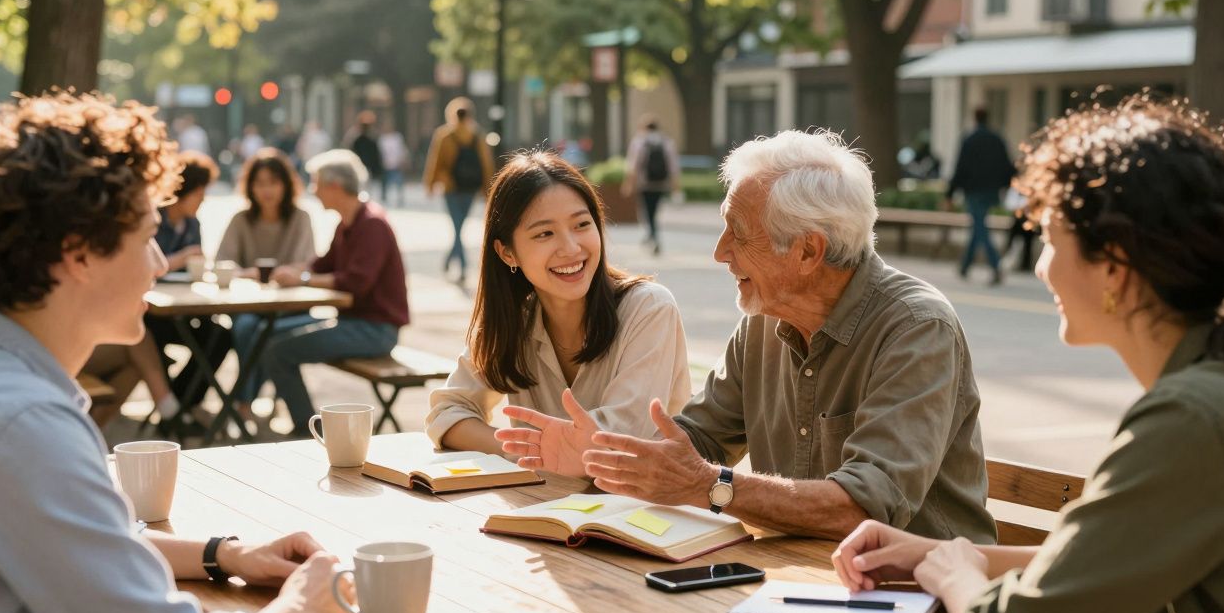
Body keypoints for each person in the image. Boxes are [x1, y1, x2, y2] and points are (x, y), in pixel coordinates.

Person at [832, 96, 1224, 613]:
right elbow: (1110, 561)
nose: (1041, 267)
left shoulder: (1191, 421)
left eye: (1050, 239)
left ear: (1114, 266)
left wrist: (957, 577)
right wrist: (939, 554)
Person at [0, 91, 348, 613]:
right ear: (78, 253)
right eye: (147, 236)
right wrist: (301, 609)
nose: (159, 263)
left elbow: (81, 544)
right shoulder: (25, 425)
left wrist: (224, 554)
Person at [502, 130, 995, 542]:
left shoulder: (916, 329)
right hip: (802, 575)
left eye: (737, 232)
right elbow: (696, 441)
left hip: (922, 594)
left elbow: (866, 507)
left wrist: (710, 487)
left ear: (807, 252)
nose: (719, 252)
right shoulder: (762, 320)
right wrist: (602, 454)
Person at [426, 152, 691, 470]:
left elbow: (620, 442)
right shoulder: (516, 320)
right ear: (507, 252)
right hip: (542, 507)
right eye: (544, 233)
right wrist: (518, 449)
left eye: (581, 224)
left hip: (642, 514)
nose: (571, 248)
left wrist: (538, 450)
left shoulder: (648, 309)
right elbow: (446, 413)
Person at [264, 149, 409, 433]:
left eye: (315, 183)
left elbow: (355, 282)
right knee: (270, 336)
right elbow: (321, 264)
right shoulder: (348, 223)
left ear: (334, 186)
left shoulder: (372, 225)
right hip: (354, 323)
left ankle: (306, 430)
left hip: (375, 330)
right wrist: (292, 272)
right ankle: (298, 419)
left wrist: (302, 279)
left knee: (277, 351)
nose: (312, 190)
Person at [215, 148, 318, 425]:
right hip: (246, 305)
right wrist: (256, 274)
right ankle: (246, 402)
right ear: (250, 187)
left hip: (291, 307)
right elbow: (223, 263)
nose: (267, 190)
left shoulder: (300, 218)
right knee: (248, 327)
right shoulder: (241, 220)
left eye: (273, 182)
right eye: (260, 183)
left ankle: (243, 402)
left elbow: (303, 263)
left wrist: (260, 273)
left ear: (286, 185)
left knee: (261, 332)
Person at [145, 151, 232, 418]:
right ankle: (176, 411)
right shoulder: (154, 220)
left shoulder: (193, 224)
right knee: (152, 333)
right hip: (152, 309)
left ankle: (183, 404)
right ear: (184, 190)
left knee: (219, 335)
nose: (203, 199)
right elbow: (147, 266)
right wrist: (181, 258)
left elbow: (195, 266)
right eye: (200, 192)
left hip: (184, 303)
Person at [423, 97, 495, 283]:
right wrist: (488, 190)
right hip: (470, 188)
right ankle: (460, 265)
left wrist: (430, 184)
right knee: (459, 228)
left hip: (450, 187)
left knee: (457, 228)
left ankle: (457, 264)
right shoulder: (478, 135)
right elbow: (486, 164)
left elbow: (435, 160)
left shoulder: (444, 135)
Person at [946, 107, 1014, 285]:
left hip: (973, 191)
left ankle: (996, 265)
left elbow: (959, 168)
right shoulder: (997, 139)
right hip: (992, 191)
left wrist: (950, 193)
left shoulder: (969, 139)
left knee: (979, 227)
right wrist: (1007, 186)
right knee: (978, 226)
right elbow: (1007, 165)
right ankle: (965, 266)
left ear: (974, 118)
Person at [622, 114, 681, 255]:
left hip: (645, 184)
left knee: (647, 212)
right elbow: (673, 167)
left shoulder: (639, 142)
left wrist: (628, 184)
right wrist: (676, 187)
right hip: (661, 183)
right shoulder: (666, 142)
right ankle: (651, 235)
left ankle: (653, 237)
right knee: (654, 212)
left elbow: (633, 166)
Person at [348, 110, 385, 200]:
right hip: (362, 166)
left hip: (363, 166)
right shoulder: (360, 139)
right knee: (364, 187)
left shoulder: (360, 139)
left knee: (364, 188)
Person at [378, 120, 409, 206]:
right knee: (385, 182)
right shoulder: (382, 138)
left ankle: (400, 198)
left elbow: (402, 149)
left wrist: (403, 160)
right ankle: (384, 198)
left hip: (397, 163)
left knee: (399, 181)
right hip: (385, 164)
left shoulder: (397, 137)